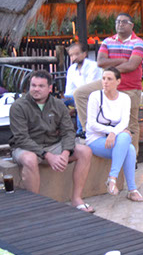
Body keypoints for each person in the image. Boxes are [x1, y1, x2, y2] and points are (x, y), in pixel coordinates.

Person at [10, 70, 93, 212]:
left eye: (41, 86)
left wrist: (65, 153)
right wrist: (48, 156)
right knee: (30, 159)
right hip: (27, 147)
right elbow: (21, 138)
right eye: (33, 85)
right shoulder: (19, 106)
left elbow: (68, 131)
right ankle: (34, 205)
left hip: (53, 144)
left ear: (50, 88)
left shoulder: (58, 105)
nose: (36, 89)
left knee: (85, 151)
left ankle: (77, 199)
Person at [74, 13, 143, 155]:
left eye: (124, 22)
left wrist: (111, 69)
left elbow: (132, 65)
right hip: (107, 84)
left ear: (132, 25)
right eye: (118, 21)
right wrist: (122, 61)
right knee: (80, 94)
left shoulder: (138, 43)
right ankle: (88, 129)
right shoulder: (108, 41)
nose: (120, 24)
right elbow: (100, 62)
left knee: (131, 124)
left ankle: (132, 157)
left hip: (129, 87)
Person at [85, 67, 143, 202]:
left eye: (109, 79)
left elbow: (124, 122)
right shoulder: (95, 96)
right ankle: (129, 188)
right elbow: (91, 124)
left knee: (127, 142)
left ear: (118, 81)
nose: (105, 82)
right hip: (96, 139)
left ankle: (114, 179)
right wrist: (111, 132)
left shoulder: (124, 98)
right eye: (103, 78)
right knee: (127, 143)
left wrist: (113, 133)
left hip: (116, 139)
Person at [63, 42, 101, 136]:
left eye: (77, 54)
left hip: (93, 95)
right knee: (59, 104)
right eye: (71, 55)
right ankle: (62, 131)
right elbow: (69, 89)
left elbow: (87, 88)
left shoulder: (93, 66)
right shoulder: (71, 69)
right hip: (76, 96)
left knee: (79, 100)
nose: (74, 57)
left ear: (84, 54)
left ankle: (82, 131)